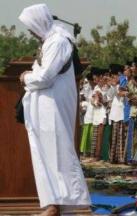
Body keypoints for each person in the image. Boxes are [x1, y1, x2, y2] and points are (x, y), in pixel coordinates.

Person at [18, 4, 91, 216]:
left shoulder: (58, 42)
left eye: (31, 26)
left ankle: (65, 203)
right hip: (43, 106)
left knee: (58, 153)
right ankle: (52, 204)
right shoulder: (49, 41)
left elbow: (44, 77)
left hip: (53, 106)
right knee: (45, 156)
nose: (30, 31)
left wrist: (25, 77)